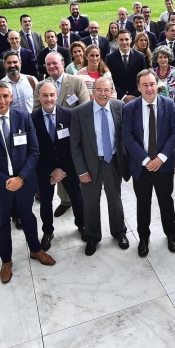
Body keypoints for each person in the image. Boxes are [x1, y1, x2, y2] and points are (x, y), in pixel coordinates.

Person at [0, 81, 55, 283]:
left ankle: (36, 250)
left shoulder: (23, 118)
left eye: (6, 96)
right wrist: (6, 181)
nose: (2, 100)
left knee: (28, 218)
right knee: (2, 224)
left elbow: (34, 152)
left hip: (24, 183)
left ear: (11, 97)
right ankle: (6, 262)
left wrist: (21, 178)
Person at [70, 76, 131, 256]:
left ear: (112, 92)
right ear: (93, 92)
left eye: (106, 90)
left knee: (115, 199)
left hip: (112, 162)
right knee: (90, 202)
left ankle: (119, 232)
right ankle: (92, 237)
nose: (103, 93)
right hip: (90, 164)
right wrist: (81, 170)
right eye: (99, 90)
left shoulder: (120, 107)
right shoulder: (80, 112)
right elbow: (75, 144)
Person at [123, 70, 175, 257]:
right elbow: (128, 136)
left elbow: (174, 132)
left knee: (166, 201)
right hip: (142, 166)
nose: (149, 88)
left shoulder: (168, 104)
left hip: (163, 165)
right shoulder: (130, 108)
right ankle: (144, 238)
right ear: (138, 87)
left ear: (158, 85)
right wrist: (147, 160)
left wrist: (161, 158)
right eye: (145, 85)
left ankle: (170, 234)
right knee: (143, 203)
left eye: (152, 84)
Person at [31, 79, 85, 250]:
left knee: (77, 197)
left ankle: (82, 225)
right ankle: (48, 231)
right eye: (45, 95)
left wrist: (62, 169)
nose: (49, 99)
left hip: (67, 167)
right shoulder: (31, 119)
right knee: (46, 202)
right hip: (45, 170)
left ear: (57, 95)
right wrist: (51, 170)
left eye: (52, 95)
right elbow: (33, 149)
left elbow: (75, 144)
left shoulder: (69, 114)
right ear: (38, 96)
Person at [105, 29, 146, 102]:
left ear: (131, 39)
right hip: (118, 98)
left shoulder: (140, 56)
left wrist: (134, 95)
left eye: (126, 39)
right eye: (121, 40)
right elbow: (110, 80)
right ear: (117, 40)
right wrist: (123, 96)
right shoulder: (110, 58)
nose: (124, 42)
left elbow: (142, 78)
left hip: (136, 97)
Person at [151, 45, 175, 112]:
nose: (163, 60)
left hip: (173, 109)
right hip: (156, 109)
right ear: (156, 59)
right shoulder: (152, 73)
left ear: (168, 58)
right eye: (160, 57)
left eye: (165, 57)